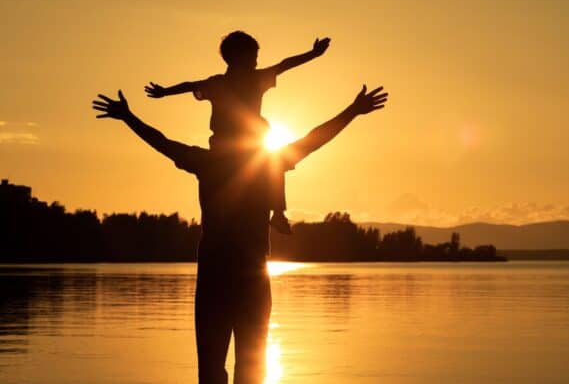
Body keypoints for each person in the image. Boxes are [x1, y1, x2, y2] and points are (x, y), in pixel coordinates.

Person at [92, 85, 387, 384]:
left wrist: (128, 117)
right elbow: (313, 140)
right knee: (250, 365)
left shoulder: (207, 162)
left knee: (212, 366)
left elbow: (161, 142)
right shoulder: (266, 164)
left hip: (216, 272)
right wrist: (352, 111)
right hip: (250, 274)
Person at [144, 31, 332, 235]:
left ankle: (277, 213)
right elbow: (283, 65)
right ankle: (277, 213)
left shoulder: (222, 82)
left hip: (243, 146)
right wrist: (165, 92)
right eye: (253, 57)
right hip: (229, 147)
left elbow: (284, 65)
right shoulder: (241, 80)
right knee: (274, 159)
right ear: (237, 57)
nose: (256, 61)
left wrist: (165, 92)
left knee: (273, 158)